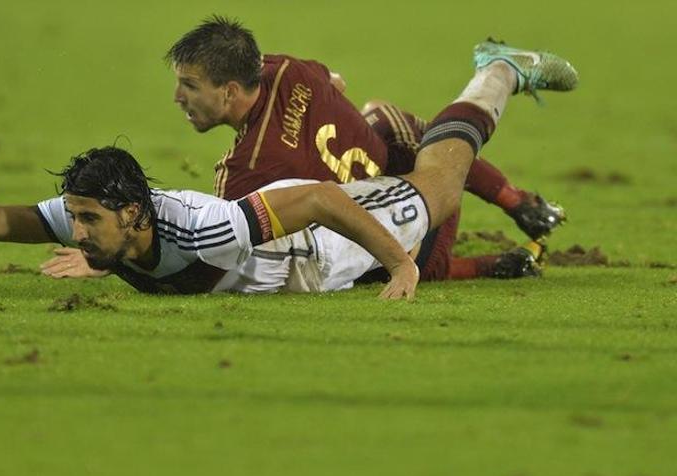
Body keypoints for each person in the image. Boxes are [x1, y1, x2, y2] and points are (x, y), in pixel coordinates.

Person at [0, 42, 577, 299]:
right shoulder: (99, 215)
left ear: (138, 216)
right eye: (75, 217)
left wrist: (397, 261)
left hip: (318, 240)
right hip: (290, 239)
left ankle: (497, 73)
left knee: (440, 186)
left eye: (89, 222)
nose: (76, 231)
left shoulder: (203, 223)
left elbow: (315, 197)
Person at [163, 17, 568, 281]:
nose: (178, 97)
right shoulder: (283, 68)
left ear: (230, 90)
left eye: (190, 85)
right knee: (386, 118)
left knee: (349, 255)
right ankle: (519, 203)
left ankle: (487, 266)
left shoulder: (244, 172)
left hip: (409, 228)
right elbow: (335, 82)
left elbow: (237, 251)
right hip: (419, 167)